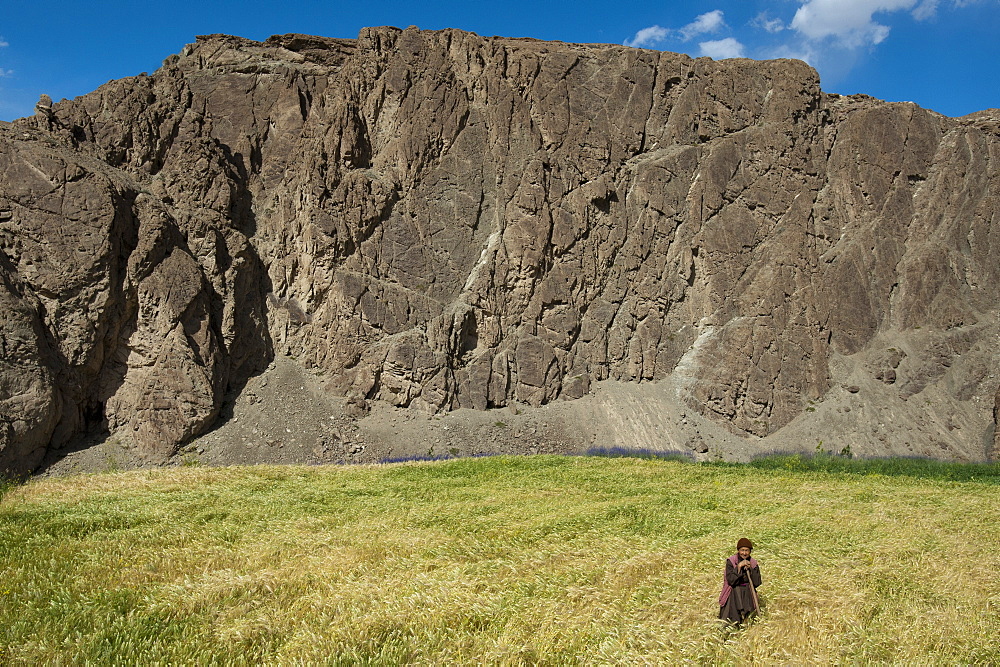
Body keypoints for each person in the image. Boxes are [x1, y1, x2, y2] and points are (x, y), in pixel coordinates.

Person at [718, 537, 761, 623]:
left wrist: (751, 570)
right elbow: (730, 580)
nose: (744, 553)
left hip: (748, 592)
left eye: (747, 550)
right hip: (733, 593)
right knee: (731, 619)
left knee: (748, 618)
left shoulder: (753, 563)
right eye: (742, 550)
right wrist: (738, 567)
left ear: (750, 551)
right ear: (738, 550)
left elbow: (757, 582)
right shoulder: (731, 561)